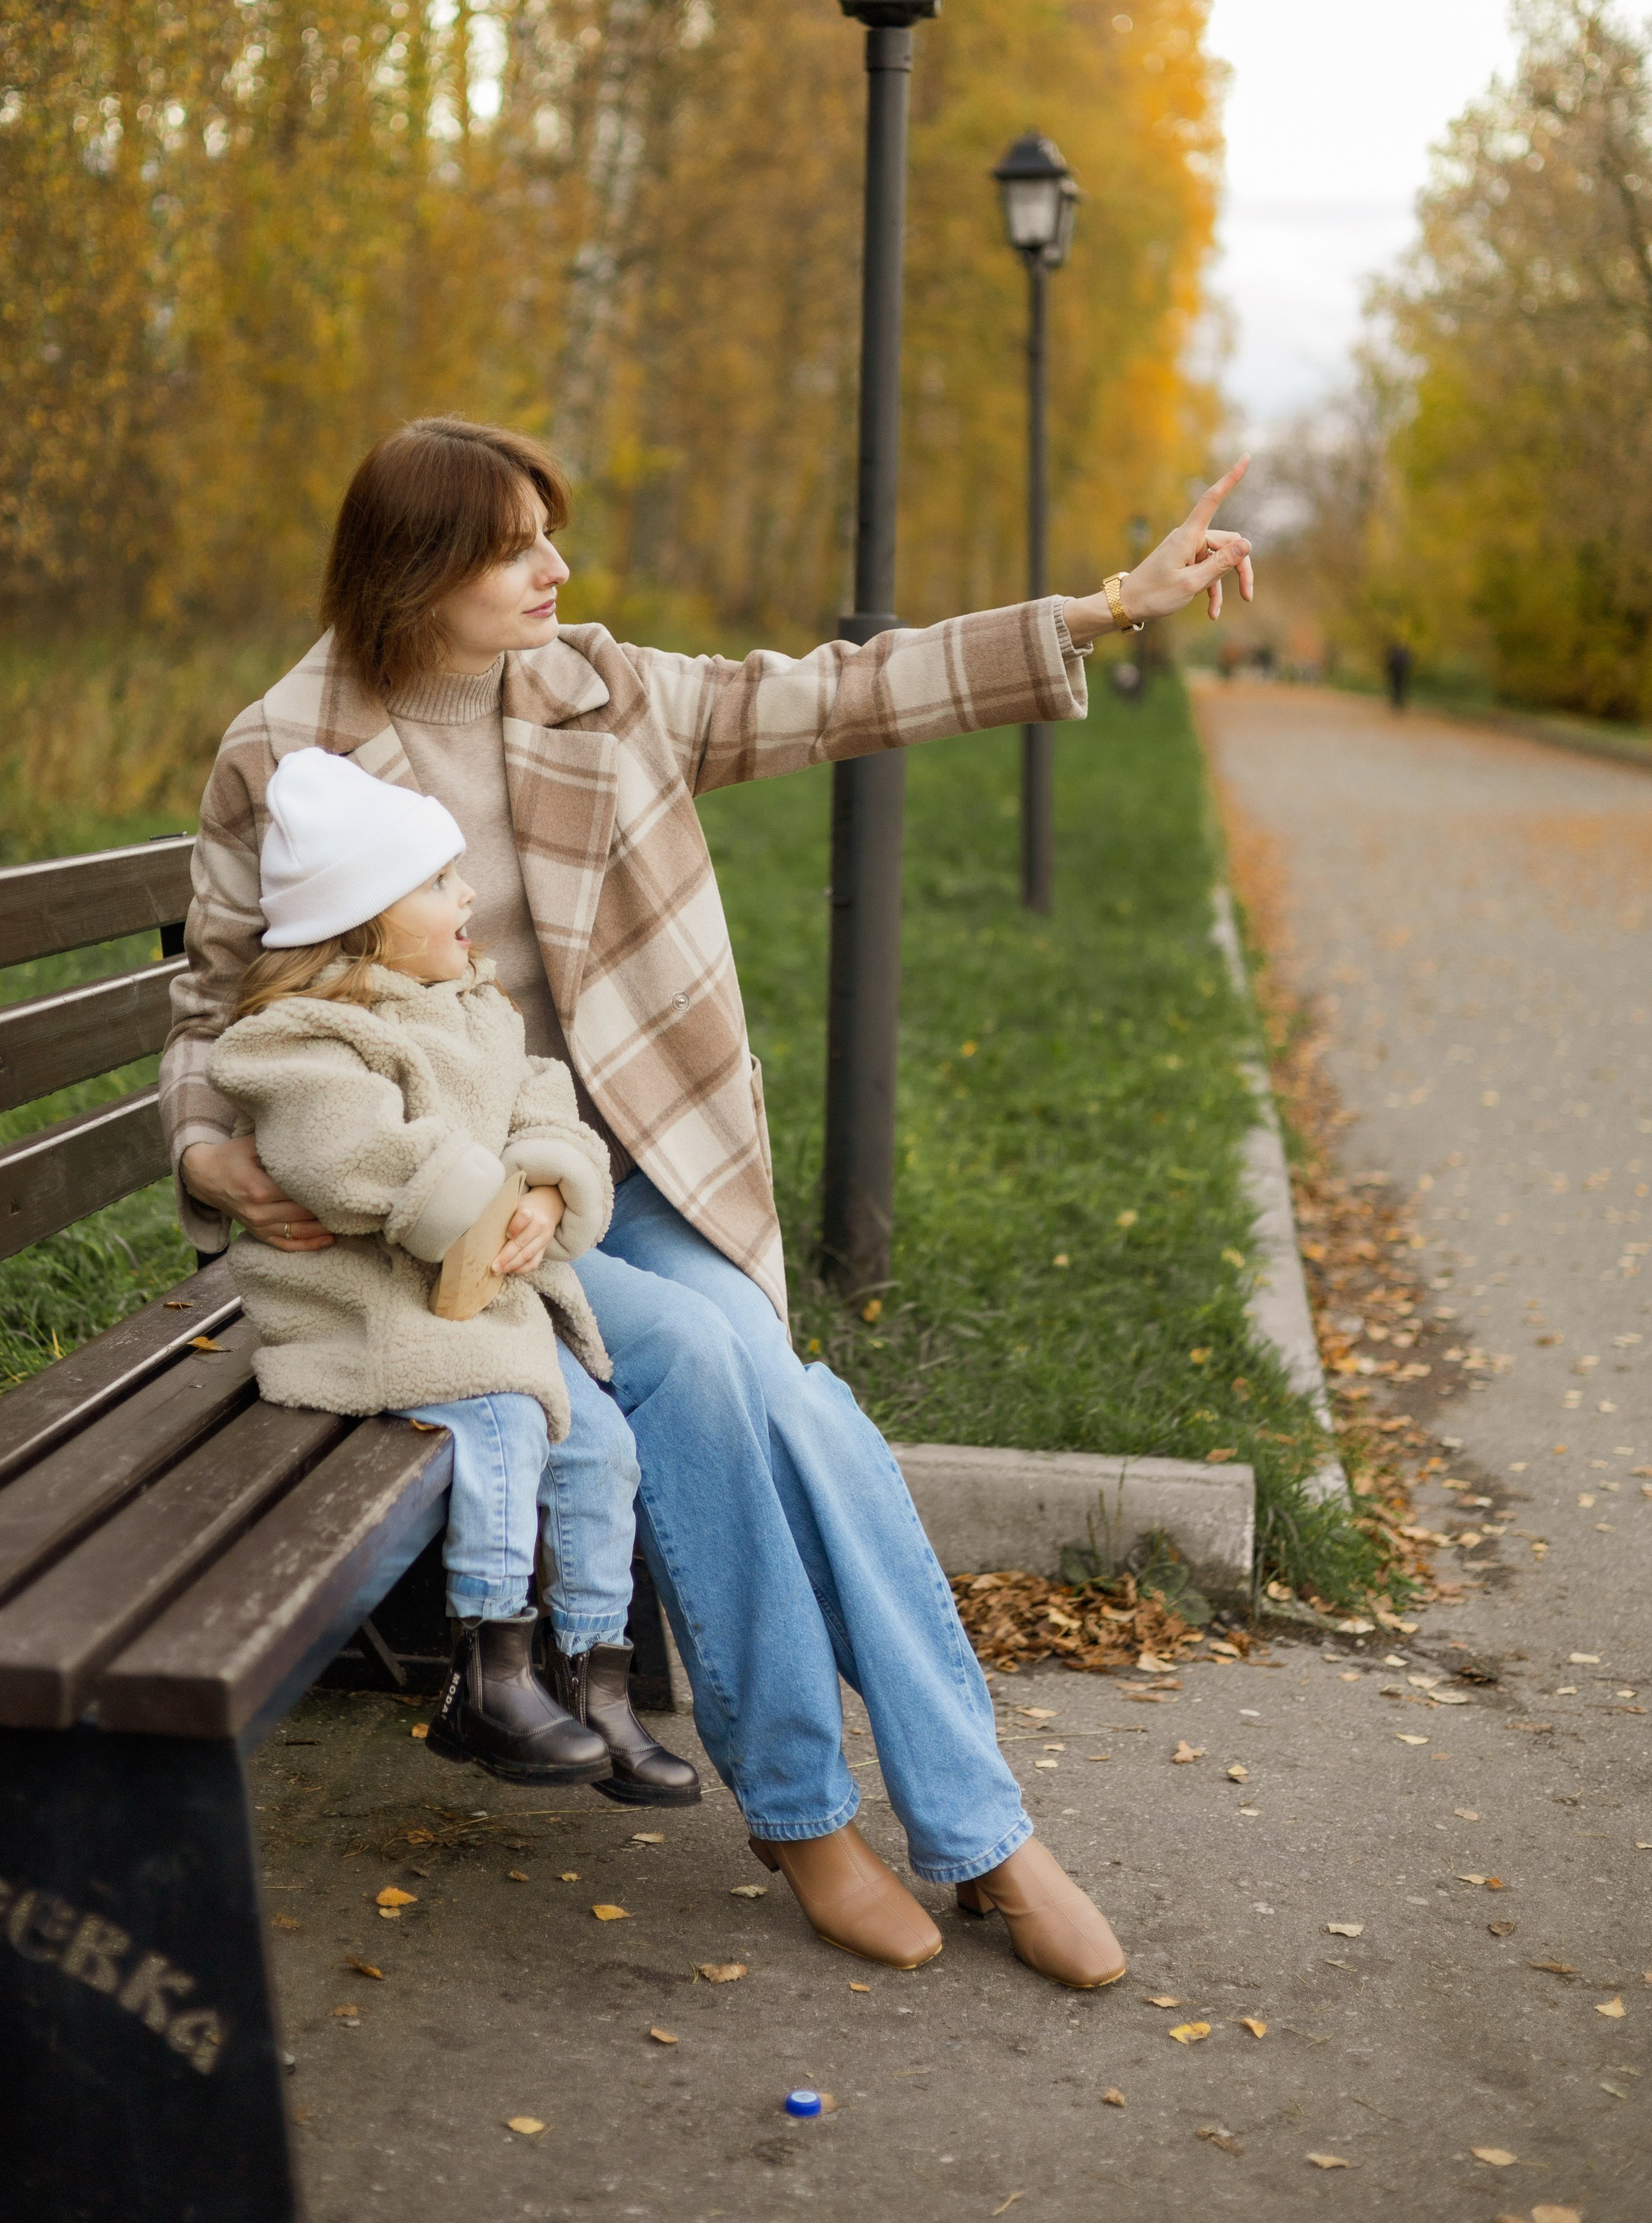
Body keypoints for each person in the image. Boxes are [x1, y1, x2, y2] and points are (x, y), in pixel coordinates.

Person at [165, 417, 1255, 1986]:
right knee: (707, 1365)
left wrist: (1097, 612)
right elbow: (212, 1006)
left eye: (552, 531)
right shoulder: (287, 749)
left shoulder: (602, 688)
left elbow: (828, 693)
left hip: (633, 1162)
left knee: (787, 1397)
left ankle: (973, 1828)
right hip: (433, 1221)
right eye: (513, 546)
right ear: (415, 573)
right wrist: (210, 1159)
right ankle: (819, 1821)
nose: (556, 568)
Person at [207, 747, 697, 1806]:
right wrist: (477, 1192)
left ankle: (592, 1674)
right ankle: (485, 1671)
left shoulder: (473, 1005)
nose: (468, 893)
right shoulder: (301, 1038)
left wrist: (547, 1192)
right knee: (509, 1424)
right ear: (360, 919)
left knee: (598, 1441)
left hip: (468, 1301)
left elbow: (541, 1103)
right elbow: (343, 1160)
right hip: (360, 1309)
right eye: (438, 881)